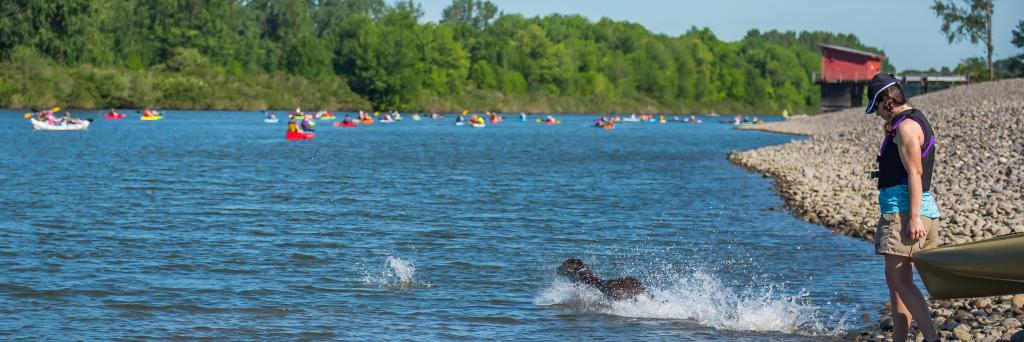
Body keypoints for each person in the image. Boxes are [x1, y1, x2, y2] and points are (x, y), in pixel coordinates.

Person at [865, 73, 940, 342]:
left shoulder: (907, 127)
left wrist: (915, 217)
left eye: (875, 107)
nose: (876, 114)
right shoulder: (910, 121)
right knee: (896, 285)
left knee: (902, 283)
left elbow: (915, 173)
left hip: (904, 214)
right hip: (908, 211)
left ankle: (932, 339)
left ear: (887, 101)